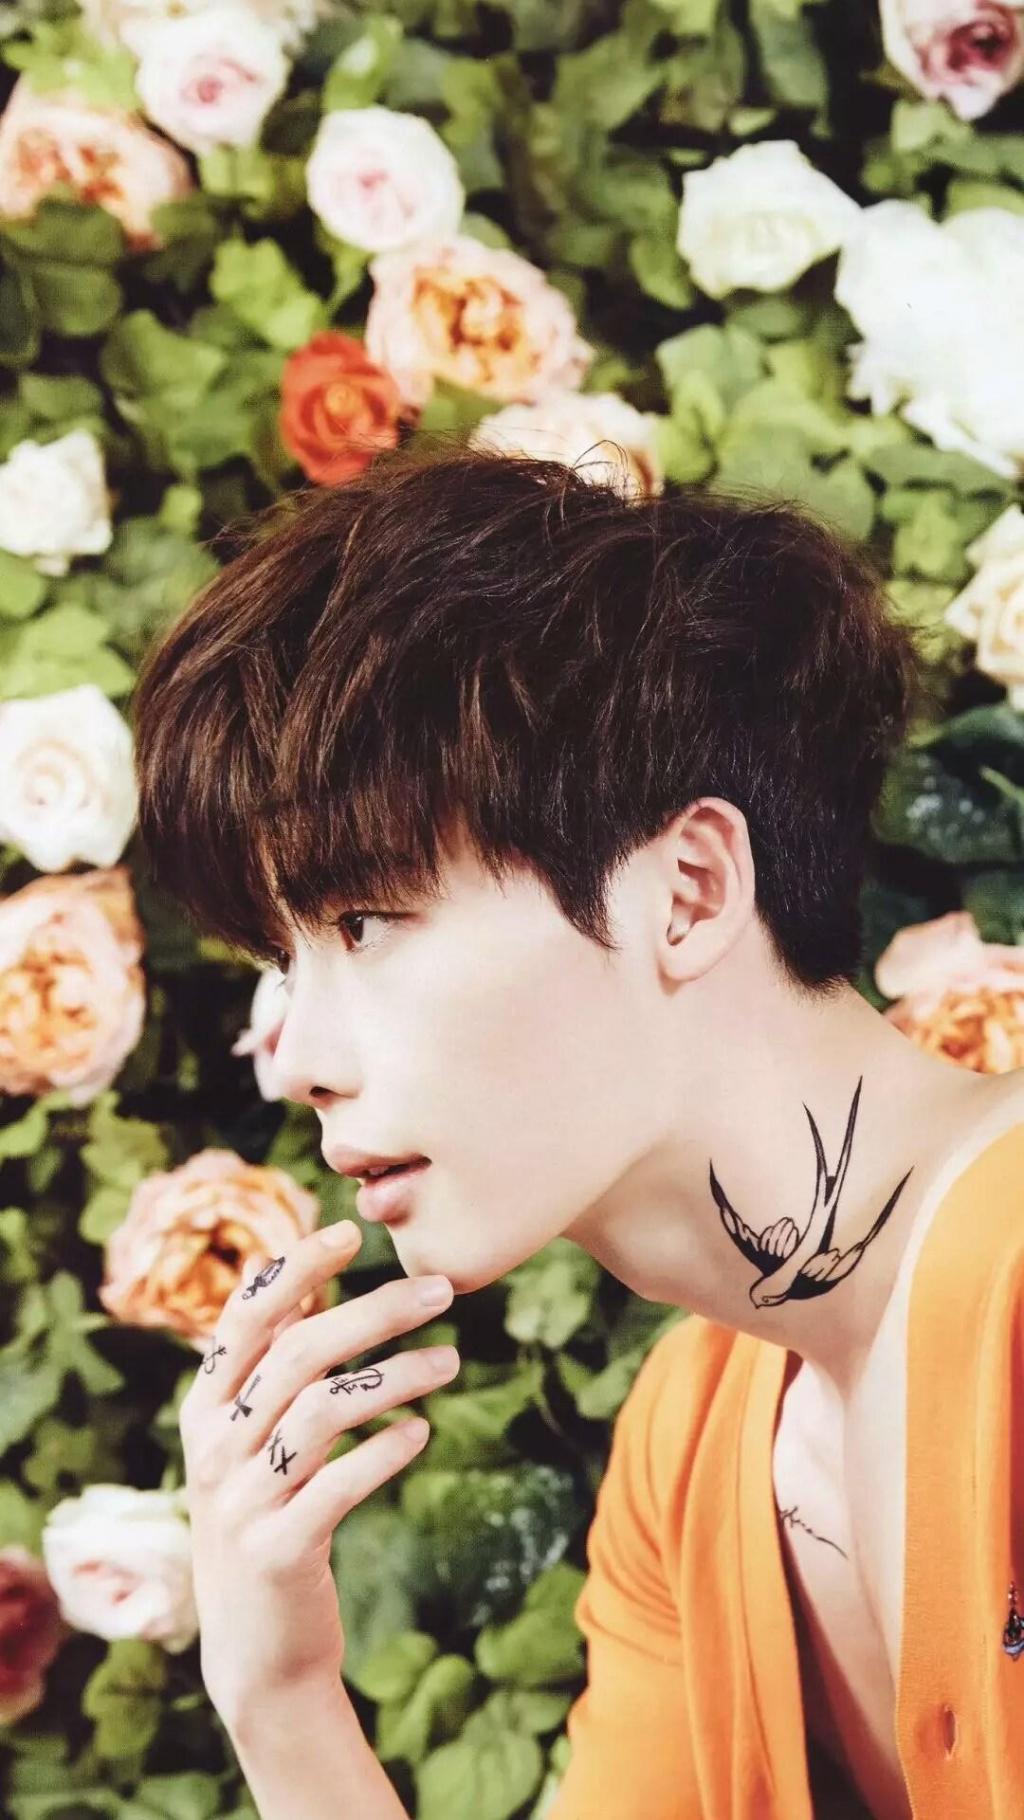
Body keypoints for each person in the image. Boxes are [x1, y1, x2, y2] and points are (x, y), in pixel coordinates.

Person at [131, 443, 1024, 1820]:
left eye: (363, 921)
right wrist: (284, 1702)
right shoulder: (689, 1443)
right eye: (282, 960)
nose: (296, 1060)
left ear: (688, 890)